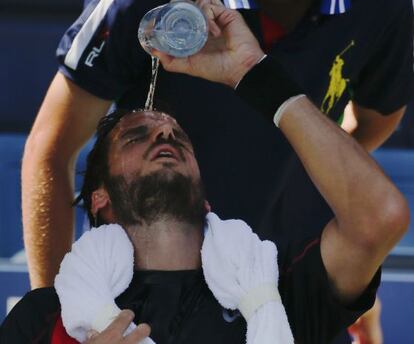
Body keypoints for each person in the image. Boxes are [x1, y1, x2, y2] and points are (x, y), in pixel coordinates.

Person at [1, 99, 407, 343]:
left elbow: (380, 217)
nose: (164, 135)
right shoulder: (49, 315)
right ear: (100, 198)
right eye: (136, 135)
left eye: (178, 137)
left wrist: (264, 84)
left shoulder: (276, 287)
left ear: (206, 198)